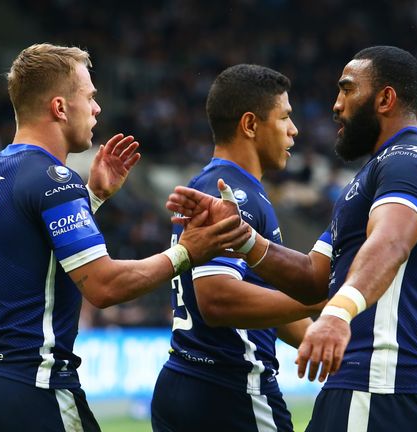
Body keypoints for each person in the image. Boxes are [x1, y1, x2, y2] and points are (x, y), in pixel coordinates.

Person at [0, 43, 250, 432]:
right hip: (32, 389)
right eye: (90, 97)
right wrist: (186, 252)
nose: (97, 108)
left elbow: (33, 256)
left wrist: (92, 198)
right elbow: (104, 287)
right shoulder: (52, 179)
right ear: (60, 108)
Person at [167, 46, 417, 431]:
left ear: (385, 99)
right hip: (361, 382)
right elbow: (315, 277)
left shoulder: (409, 160)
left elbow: (390, 243)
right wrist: (246, 240)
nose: (336, 105)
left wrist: (336, 314)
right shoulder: (369, 178)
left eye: (348, 90)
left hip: (379, 382)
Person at [150, 64, 324, 432]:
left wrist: (317, 336)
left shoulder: (225, 186)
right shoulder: (232, 194)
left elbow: (264, 300)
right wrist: (322, 298)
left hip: (189, 381)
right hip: (231, 389)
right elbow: (218, 299)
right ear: (250, 125)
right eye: (285, 117)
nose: (294, 130)